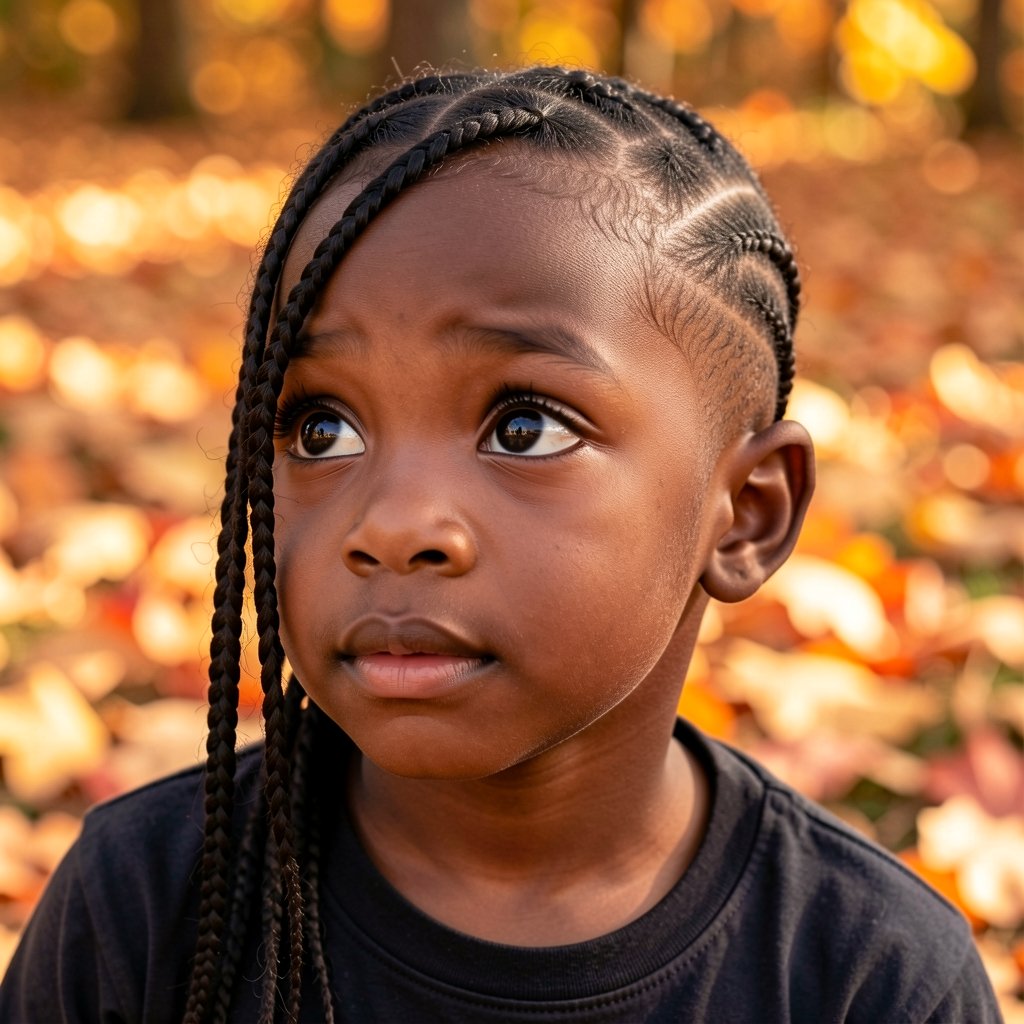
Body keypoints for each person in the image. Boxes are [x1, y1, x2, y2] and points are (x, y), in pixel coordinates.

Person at [0, 66, 1002, 1024]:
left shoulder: (865, 977)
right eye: (321, 429)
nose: (392, 523)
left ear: (745, 511)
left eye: (524, 427)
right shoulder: (147, 905)